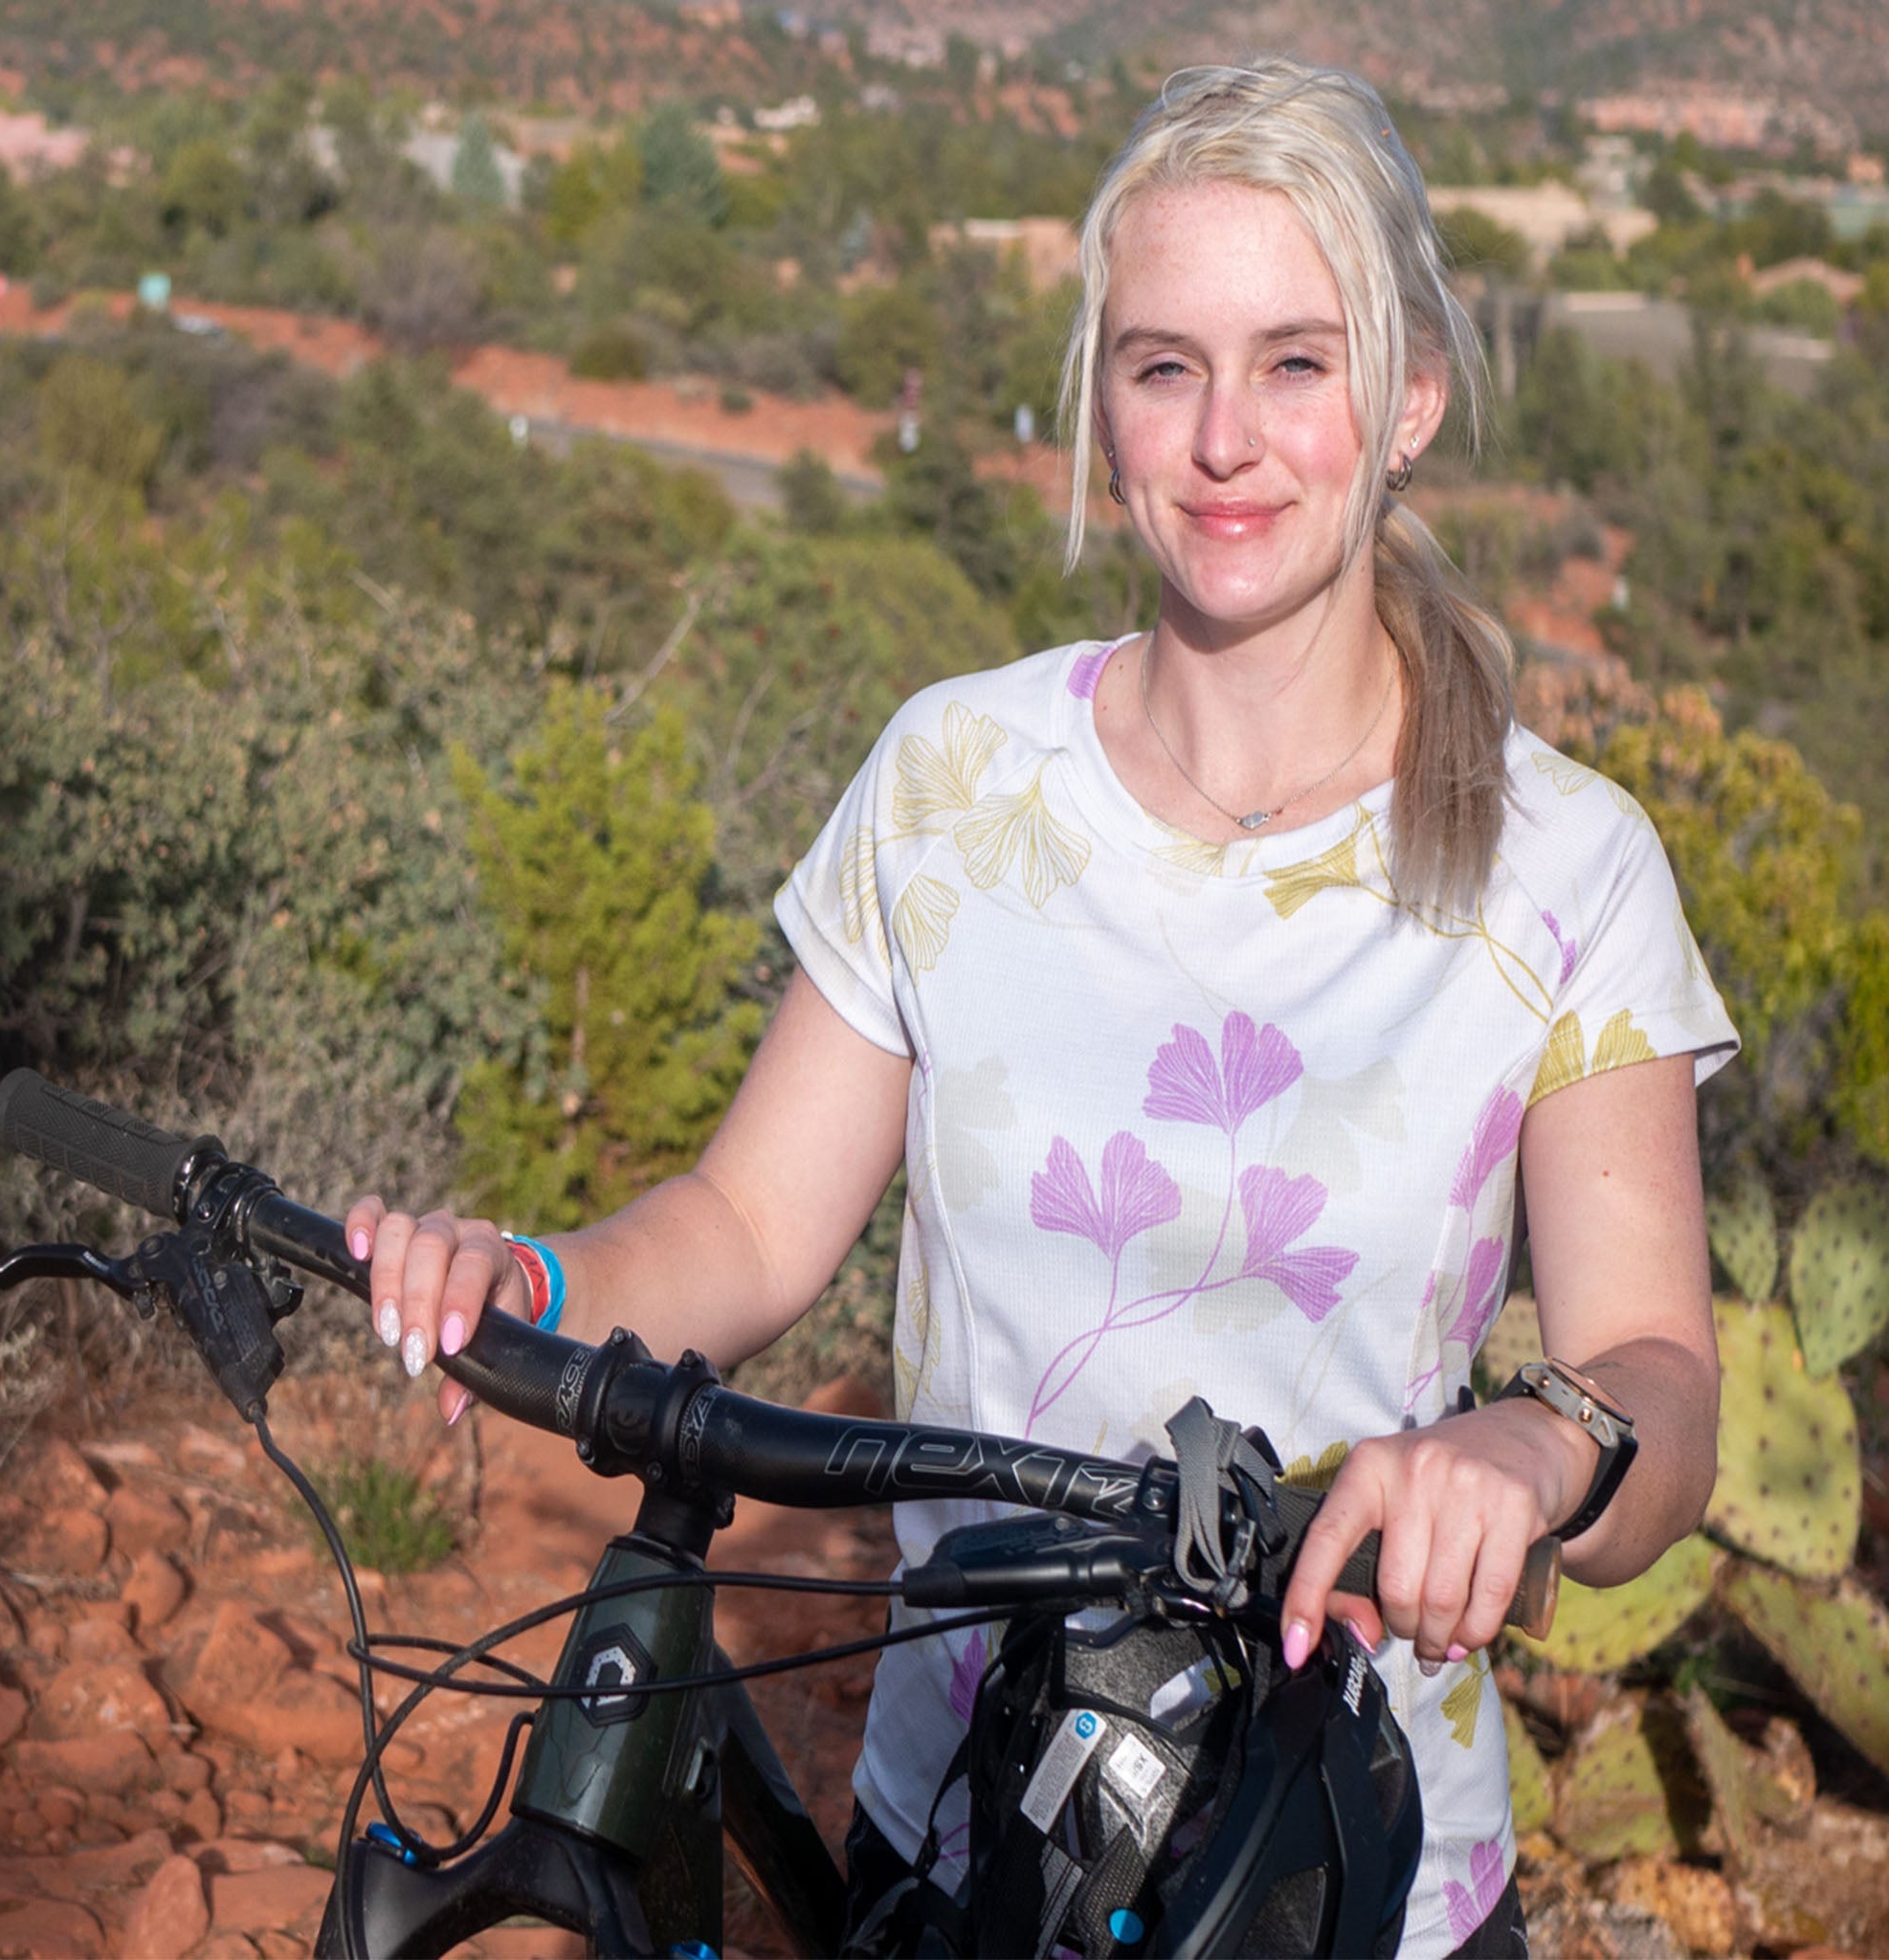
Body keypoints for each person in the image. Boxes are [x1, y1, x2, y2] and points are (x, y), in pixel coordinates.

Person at [348, 57, 1737, 1958]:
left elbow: (1659, 1379)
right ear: (1102, 404)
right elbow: (747, 1226)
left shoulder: (1563, 867)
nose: (1225, 437)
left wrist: (1530, 1449)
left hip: (1348, 1876)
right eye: (1164, 366)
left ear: (1408, 393)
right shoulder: (949, 782)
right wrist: (533, 1283)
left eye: (1295, 363)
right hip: (969, 1837)